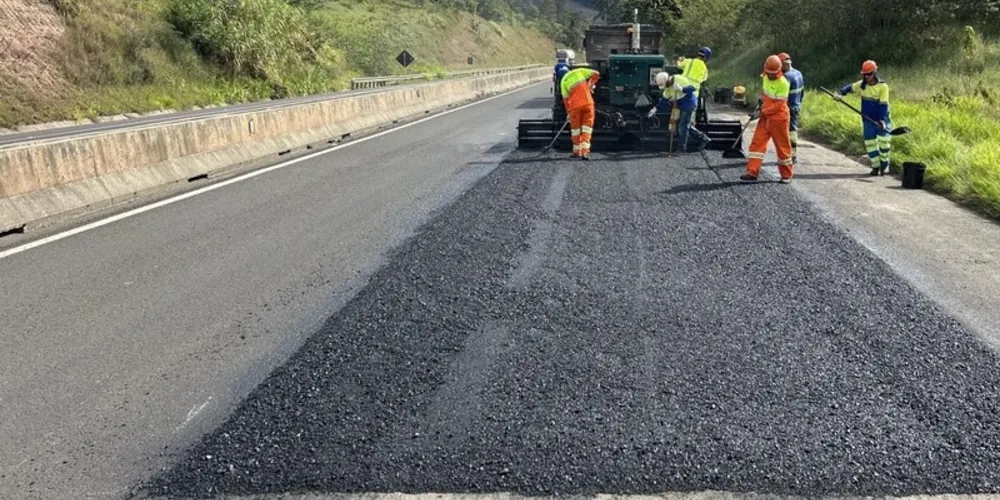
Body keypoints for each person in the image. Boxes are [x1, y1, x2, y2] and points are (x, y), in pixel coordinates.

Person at [741, 55, 794, 183]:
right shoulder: (765, 77)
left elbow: (778, 105)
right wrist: (761, 99)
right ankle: (752, 172)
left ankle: (786, 175)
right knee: (757, 143)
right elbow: (765, 92)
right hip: (765, 118)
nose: (770, 76)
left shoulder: (783, 84)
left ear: (779, 70)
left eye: (773, 74)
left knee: (782, 147)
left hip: (779, 119)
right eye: (768, 73)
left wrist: (760, 113)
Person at [833, 60, 891, 176]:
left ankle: (885, 166)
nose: (867, 77)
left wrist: (882, 121)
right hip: (867, 120)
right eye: (864, 74)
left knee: (884, 143)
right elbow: (849, 88)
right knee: (870, 144)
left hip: (881, 119)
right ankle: (875, 166)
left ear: (875, 72)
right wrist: (840, 93)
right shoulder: (862, 85)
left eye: (869, 74)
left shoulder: (883, 87)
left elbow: (883, 105)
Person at [648, 71, 710, 153]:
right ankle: (704, 138)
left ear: (667, 80)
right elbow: (663, 100)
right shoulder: (667, 88)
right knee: (685, 125)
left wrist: (682, 89)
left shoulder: (679, 79)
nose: (665, 86)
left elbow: (693, 88)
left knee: (683, 126)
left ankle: (682, 149)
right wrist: (655, 109)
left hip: (689, 103)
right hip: (681, 105)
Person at [560, 66, 600, 159]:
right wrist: (590, 84)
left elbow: (566, 101)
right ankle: (585, 152)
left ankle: (577, 152)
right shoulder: (578, 71)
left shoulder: (563, 82)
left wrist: (568, 113)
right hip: (588, 104)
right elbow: (596, 73)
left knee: (576, 131)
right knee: (587, 129)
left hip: (575, 107)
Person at [778, 52, 804, 164]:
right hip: (797, 105)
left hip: (789, 107)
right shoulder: (798, 73)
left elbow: (782, 95)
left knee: (789, 131)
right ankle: (793, 155)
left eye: (780, 66)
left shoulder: (787, 77)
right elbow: (802, 91)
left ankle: (791, 155)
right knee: (793, 130)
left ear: (784, 64)